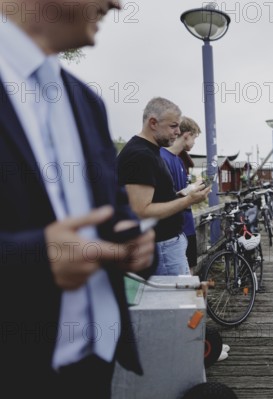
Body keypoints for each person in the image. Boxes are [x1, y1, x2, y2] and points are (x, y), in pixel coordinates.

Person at [0, 2, 156, 398]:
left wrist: (133, 241)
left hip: (94, 363)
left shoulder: (87, 102)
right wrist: (35, 257)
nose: (117, 4)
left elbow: (114, 209)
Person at [117, 97, 210, 276]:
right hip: (163, 247)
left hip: (166, 245)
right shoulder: (141, 155)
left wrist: (185, 194)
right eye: (173, 126)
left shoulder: (149, 151)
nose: (178, 132)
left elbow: (156, 199)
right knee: (176, 303)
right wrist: (189, 200)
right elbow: (140, 210)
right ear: (153, 122)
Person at [160, 116, 201, 270]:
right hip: (174, 232)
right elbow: (166, 198)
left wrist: (192, 189)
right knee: (181, 279)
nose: (195, 142)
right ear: (186, 135)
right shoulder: (162, 158)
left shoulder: (178, 160)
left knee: (190, 270)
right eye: (195, 137)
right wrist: (192, 192)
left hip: (187, 224)